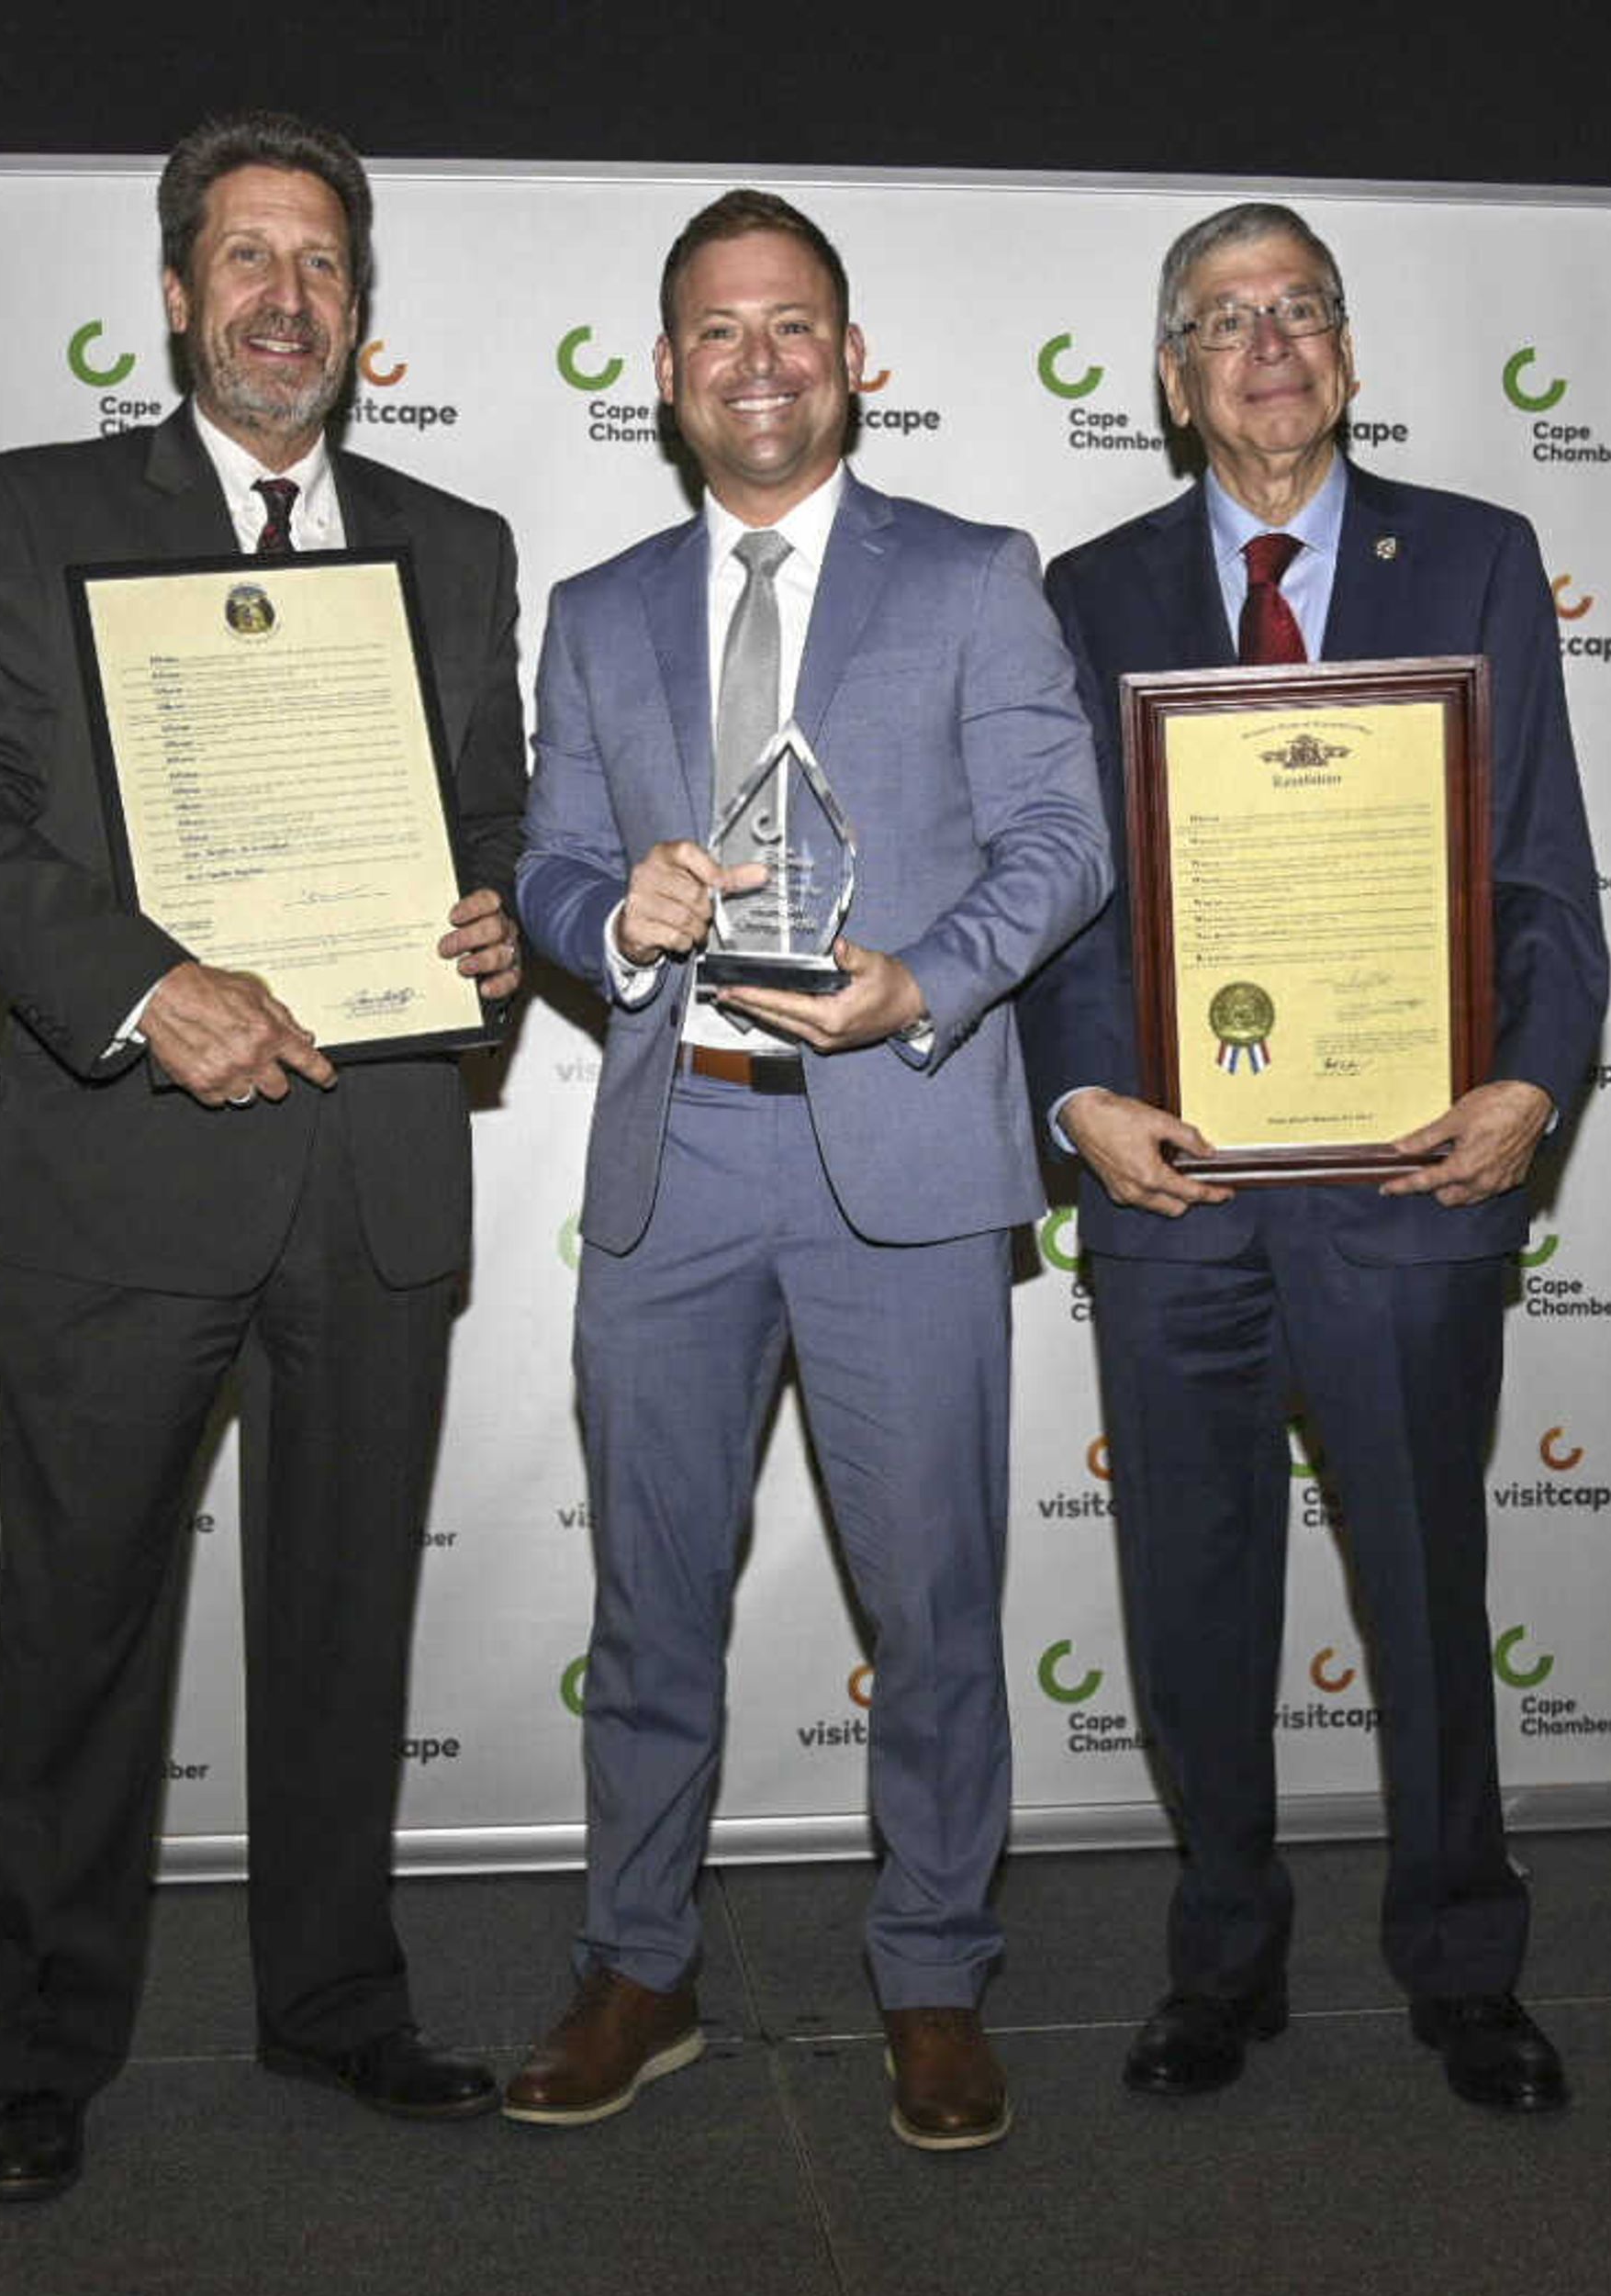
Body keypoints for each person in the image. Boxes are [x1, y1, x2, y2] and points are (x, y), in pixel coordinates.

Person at [0, 109, 529, 2202]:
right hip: (118, 1166)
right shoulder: (36, 507)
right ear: (176, 296)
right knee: (79, 1630)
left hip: (372, 1170)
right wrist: (148, 982)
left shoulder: (455, 543)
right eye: (245, 260)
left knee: (345, 1623)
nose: (285, 300)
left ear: (362, 309)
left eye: (321, 265)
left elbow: (490, 831)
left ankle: (338, 2007)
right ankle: (44, 2048)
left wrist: (501, 932)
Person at [503, 190, 1108, 2153]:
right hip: (679, 1170)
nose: (755, 361)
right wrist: (623, 916)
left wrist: (917, 983)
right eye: (714, 332)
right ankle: (641, 1964)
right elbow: (550, 867)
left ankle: (934, 1975)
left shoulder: (974, 575)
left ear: (853, 360)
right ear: (664, 378)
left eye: (791, 327)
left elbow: (1059, 845)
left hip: (906, 1165)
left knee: (934, 1605)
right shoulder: (596, 614)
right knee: (654, 1602)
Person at [1016, 201, 1611, 2113]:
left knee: (1430, 1591)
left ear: (1345, 355)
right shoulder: (1088, 594)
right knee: (1193, 1593)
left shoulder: (1484, 559)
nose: (1266, 344)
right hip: (1174, 1189)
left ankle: (1462, 1958)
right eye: (1223, 319)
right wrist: (1080, 1092)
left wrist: (1530, 1082)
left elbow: (1539, 866)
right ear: (1172, 379)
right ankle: (1223, 1957)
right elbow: (1053, 892)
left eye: (1300, 310)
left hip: (1412, 1184)